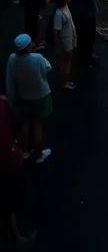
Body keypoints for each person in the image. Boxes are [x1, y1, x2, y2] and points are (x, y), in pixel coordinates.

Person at [5, 34, 52, 163]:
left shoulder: (12, 59)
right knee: (37, 125)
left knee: (26, 123)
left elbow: (9, 81)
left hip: (23, 96)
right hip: (40, 96)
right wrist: (37, 53)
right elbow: (48, 67)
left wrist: (11, 99)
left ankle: (24, 150)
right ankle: (39, 154)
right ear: (28, 47)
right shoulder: (38, 58)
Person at [0, 94, 37, 246]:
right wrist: (20, 148)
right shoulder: (3, 104)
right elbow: (20, 127)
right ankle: (23, 236)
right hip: (9, 161)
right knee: (18, 197)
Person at [52, 0, 77, 90]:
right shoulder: (59, 14)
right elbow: (55, 33)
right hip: (65, 41)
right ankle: (65, 82)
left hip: (70, 38)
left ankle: (65, 80)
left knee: (67, 61)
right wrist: (59, 47)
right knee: (65, 62)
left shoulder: (64, 7)